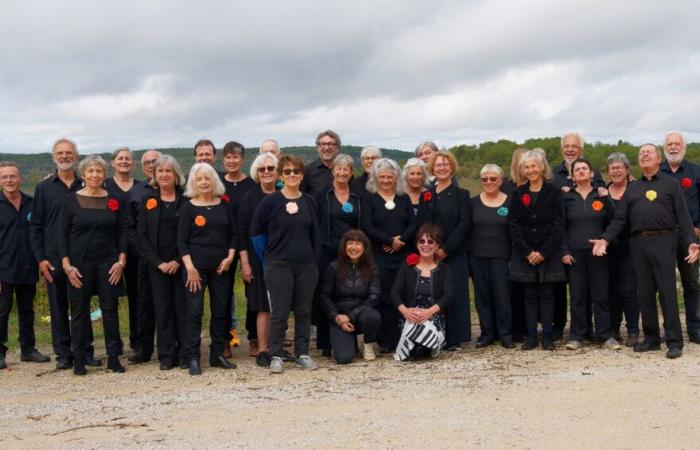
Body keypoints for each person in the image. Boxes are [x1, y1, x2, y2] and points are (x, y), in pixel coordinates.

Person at [591, 144, 700, 359]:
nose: (645, 155)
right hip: (638, 243)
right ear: (638, 162)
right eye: (641, 154)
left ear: (658, 159)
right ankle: (651, 338)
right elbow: (620, 219)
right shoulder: (633, 188)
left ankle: (674, 340)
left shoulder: (670, 184)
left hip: (664, 240)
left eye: (649, 152)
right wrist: (605, 239)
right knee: (644, 292)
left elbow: (684, 217)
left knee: (667, 291)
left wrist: (691, 242)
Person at [30, 139, 100, 369]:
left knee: (82, 305)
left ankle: (86, 351)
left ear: (77, 156)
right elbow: (36, 225)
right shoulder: (44, 188)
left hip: (81, 256)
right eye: (60, 153)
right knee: (58, 305)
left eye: (69, 152)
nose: (64, 156)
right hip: (52, 256)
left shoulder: (88, 183)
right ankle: (63, 354)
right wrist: (40, 259)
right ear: (53, 157)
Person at [251, 155, 321, 374]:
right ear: (281, 175)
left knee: (303, 311)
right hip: (278, 265)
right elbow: (255, 232)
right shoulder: (271, 201)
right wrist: (268, 259)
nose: (292, 175)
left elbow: (316, 235)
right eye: (288, 171)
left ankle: (302, 353)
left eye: (296, 171)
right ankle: (276, 354)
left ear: (302, 175)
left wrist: (314, 262)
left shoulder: (309, 201)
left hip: (306, 265)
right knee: (279, 312)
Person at [58, 155, 127, 375]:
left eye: (99, 171)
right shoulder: (70, 200)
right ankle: (79, 360)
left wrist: (121, 262)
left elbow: (123, 233)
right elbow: (62, 235)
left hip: (108, 264)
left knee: (110, 310)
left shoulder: (114, 199)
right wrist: (67, 266)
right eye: (91, 171)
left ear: (104, 174)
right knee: (79, 312)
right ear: (84, 174)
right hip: (79, 265)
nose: (95, 175)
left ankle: (114, 358)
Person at [178, 163, 237, 375]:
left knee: (221, 311)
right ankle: (192, 356)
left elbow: (233, 235)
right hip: (195, 269)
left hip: (221, 268)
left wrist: (230, 257)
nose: (203, 182)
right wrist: (190, 267)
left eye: (207, 178)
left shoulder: (224, 205)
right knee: (194, 312)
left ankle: (217, 354)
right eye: (199, 179)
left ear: (214, 181)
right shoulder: (188, 207)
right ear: (194, 182)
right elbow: (182, 241)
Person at [509, 149, 566, 350]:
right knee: (530, 296)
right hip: (525, 254)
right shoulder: (518, 192)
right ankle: (531, 336)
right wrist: (527, 251)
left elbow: (559, 224)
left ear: (542, 167)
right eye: (527, 167)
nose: (531, 170)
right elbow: (513, 224)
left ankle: (548, 337)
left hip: (547, 253)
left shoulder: (554, 192)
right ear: (522, 170)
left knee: (547, 296)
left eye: (534, 166)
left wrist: (543, 252)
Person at [561, 159, 619, 351]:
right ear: (572, 175)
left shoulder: (600, 194)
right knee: (578, 295)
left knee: (600, 294)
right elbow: (560, 227)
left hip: (598, 252)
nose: (581, 171)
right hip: (575, 252)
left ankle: (605, 335)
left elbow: (615, 219)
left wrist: (607, 198)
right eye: (577, 169)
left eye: (584, 168)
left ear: (592, 173)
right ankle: (577, 335)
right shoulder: (566, 197)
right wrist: (565, 251)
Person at [361, 158, 417, 353]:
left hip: (403, 255)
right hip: (380, 256)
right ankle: (385, 340)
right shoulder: (369, 199)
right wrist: (388, 241)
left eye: (389, 177)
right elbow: (366, 226)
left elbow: (412, 224)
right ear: (375, 178)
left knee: (402, 294)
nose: (386, 180)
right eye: (382, 177)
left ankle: (403, 336)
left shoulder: (404, 197)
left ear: (396, 178)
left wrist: (399, 241)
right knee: (384, 296)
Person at [137, 155, 188, 370]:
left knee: (182, 308)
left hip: (183, 263)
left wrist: (177, 261)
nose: (164, 175)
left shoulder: (186, 199)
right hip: (157, 266)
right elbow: (142, 236)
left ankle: (185, 353)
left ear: (176, 174)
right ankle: (166, 355)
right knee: (163, 309)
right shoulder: (148, 200)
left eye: (168, 171)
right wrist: (158, 263)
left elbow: (191, 235)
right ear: (154, 176)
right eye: (160, 171)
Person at [551, 133, 603, 340]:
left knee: (591, 290)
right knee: (566, 290)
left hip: (591, 242)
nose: (570, 149)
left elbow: (600, 196)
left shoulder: (594, 172)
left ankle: (590, 329)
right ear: (562, 148)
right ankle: (563, 328)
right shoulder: (553, 174)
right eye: (567, 146)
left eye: (574, 146)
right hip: (564, 242)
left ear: (581, 149)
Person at [0, 162, 50, 370]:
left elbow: (40, 234)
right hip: (3, 267)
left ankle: (28, 350)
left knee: (26, 309)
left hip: (28, 265)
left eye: (13, 176)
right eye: (4, 177)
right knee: (2, 311)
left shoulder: (31, 203)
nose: (9, 181)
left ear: (21, 179)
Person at [421, 151, 471, 350]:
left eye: (445, 164)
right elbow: (425, 223)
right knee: (434, 294)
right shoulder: (427, 193)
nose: (441, 168)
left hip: (455, 253)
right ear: (433, 168)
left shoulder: (462, 194)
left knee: (456, 294)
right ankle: (435, 335)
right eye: (438, 165)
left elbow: (464, 225)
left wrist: (446, 249)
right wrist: (432, 248)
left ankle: (455, 339)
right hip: (431, 252)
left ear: (452, 168)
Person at [314, 154, 361, 356]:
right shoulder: (321, 195)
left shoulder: (358, 196)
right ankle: (326, 342)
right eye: (338, 169)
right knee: (326, 293)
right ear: (333, 171)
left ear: (351, 173)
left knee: (351, 294)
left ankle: (351, 340)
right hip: (326, 250)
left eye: (346, 169)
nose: (342, 173)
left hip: (351, 252)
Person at [237, 153, 279, 366]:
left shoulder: (284, 193)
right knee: (263, 305)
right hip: (257, 258)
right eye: (262, 169)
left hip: (283, 258)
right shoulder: (249, 198)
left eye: (271, 168)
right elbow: (242, 232)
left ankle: (277, 347)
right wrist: (244, 262)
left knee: (279, 305)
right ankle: (263, 349)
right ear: (256, 172)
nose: (266, 172)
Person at [661, 131, 700, 344]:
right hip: (663, 238)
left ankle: (695, 328)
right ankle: (670, 329)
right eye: (670, 144)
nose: (673, 147)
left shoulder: (695, 172)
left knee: (692, 283)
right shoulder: (657, 173)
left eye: (677, 144)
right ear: (664, 148)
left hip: (690, 238)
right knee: (666, 285)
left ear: (683, 147)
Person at [392, 224, 452, 361]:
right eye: (422, 241)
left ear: (437, 245)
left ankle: (427, 342)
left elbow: (448, 296)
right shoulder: (408, 267)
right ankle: (424, 344)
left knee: (420, 346)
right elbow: (394, 293)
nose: (426, 245)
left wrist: (429, 312)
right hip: (410, 317)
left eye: (430, 241)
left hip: (433, 318)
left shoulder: (444, 269)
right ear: (417, 244)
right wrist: (406, 311)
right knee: (416, 340)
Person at [320, 229, 381, 364]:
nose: (354, 247)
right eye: (350, 243)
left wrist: (350, 316)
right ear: (344, 246)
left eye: (358, 244)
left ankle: (368, 343)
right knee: (344, 358)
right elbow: (325, 297)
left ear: (364, 247)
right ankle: (350, 343)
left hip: (362, 315)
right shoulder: (333, 267)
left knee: (373, 317)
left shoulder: (372, 268)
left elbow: (374, 297)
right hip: (340, 317)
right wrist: (337, 317)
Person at [469, 164, 513, 349]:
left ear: (500, 180)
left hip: (502, 258)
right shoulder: (472, 203)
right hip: (477, 257)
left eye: (493, 179)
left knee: (502, 297)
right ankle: (487, 333)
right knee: (482, 297)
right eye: (485, 179)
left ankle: (505, 334)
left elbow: (515, 231)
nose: (489, 182)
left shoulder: (510, 202)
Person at [221, 141, 257, 355]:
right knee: (223, 293)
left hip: (247, 243)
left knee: (253, 290)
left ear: (242, 160)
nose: (232, 161)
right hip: (223, 245)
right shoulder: (217, 185)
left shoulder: (252, 185)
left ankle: (254, 338)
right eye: (228, 157)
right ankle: (225, 338)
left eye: (235, 157)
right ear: (223, 160)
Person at [104, 147, 141, 352]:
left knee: (138, 296)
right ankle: (114, 343)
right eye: (120, 158)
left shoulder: (141, 187)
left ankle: (137, 340)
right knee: (110, 298)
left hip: (136, 250)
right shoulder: (104, 185)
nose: (124, 161)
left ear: (133, 164)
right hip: (111, 249)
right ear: (113, 162)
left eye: (128, 158)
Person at [127, 149, 162, 364]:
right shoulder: (136, 192)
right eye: (147, 163)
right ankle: (144, 348)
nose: (151, 165)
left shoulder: (176, 189)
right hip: (144, 259)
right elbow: (129, 227)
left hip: (170, 260)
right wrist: (144, 254)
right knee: (145, 304)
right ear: (143, 167)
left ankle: (171, 346)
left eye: (155, 162)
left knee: (169, 304)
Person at [605, 152, 640, 346]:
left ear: (627, 170)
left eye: (619, 167)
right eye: (612, 168)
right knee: (611, 290)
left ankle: (633, 330)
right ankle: (613, 329)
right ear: (608, 171)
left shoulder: (635, 189)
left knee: (629, 290)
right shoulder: (601, 191)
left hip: (631, 247)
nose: (616, 171)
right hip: (608, 249)